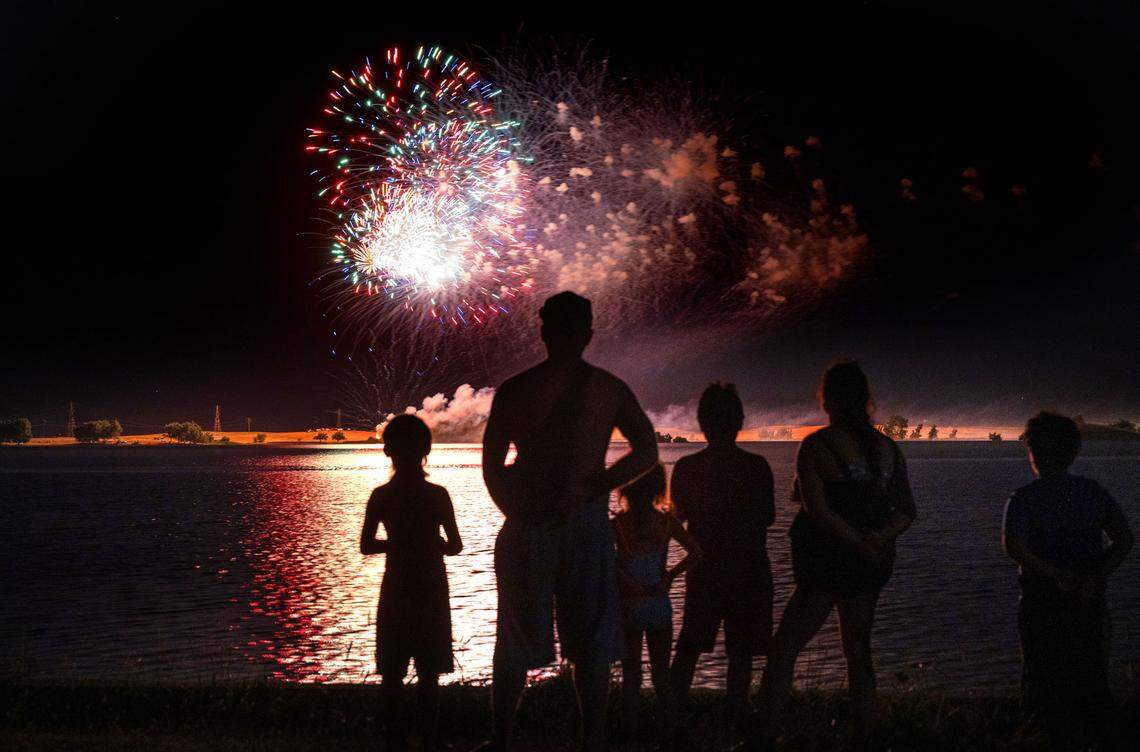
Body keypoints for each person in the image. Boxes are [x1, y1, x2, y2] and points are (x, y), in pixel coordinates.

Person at [482, 291, 659, 752]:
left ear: (545, 331)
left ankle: (502, 741)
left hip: (533, 528)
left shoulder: (517, 390)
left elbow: (492, 468)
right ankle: (591, 740)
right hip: (582, 526)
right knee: (591, 640)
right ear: (588, 335)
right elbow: (647, 450)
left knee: (517, 637)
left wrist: (518, 513)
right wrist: (595, 487)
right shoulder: (609, 389)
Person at [756, 361, 916, 751]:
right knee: (858, 650)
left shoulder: (816, 446)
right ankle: (865, 735)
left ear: (827, 400)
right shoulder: (887, 449)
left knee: (784, 649)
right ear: (866, 400)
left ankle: (764, 738)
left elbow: (817, 510)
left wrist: (857, 541)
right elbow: (907, 512)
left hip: (827, 565)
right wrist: (876, 540)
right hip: (869, 566)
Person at [1002, 411, 1133, 751]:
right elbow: (1124, 539)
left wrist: (1052, 575)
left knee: (1040, 679)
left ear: (1033, 453)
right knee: (1092, 677)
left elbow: (1013, 545)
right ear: (1073, 452)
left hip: (1040, 604)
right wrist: (1095, 575)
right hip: (1088, 602)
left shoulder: (1024, 498)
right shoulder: (1092, 492)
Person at [670, 382, 775, 737]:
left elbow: (678, 517)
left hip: (705, 571)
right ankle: (736, 723)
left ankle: (671, 720)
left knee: (689, 646)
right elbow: (767, 517)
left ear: (702, 423)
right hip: (749, 570)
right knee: (741, 652)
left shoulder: (686, 468)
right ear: (739, 421)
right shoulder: (757, 467)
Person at [360, 414, 463, 751]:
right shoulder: (438, 495)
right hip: (431, 588)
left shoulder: (381, 496)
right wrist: (430, 544)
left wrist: (397, 543)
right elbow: (456, 546)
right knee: (429, 671)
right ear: (426, 450)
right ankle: (430, 739)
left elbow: (366, 545)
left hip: (396, 588)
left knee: (393, 670)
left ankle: (395, 739)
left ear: (388, 451)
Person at [612, 463, 702, 748]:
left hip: (629, 605)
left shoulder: (616, 525)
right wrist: (670, 577)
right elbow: (696, 553)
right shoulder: (665, 523)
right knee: (661, 674)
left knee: (631, 675)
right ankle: (669, 734)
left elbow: (609, 562)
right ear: (657, 489)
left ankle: (631, 735)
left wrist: (625, 579)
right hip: (658, 604)